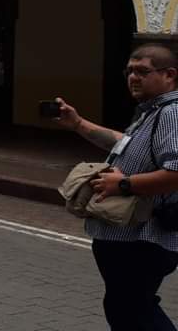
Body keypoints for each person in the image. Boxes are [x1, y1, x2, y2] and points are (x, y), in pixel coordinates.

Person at [54, 44, 178, 329]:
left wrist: (124, 184)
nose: (133, 77)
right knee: (126, 306)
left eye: (143, 71)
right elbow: (123, 143)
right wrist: (78, 123)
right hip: (128, 237)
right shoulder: (153, 111)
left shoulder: (171, 113)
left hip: (143, 239)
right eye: (129, 71)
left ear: (169, 75)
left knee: (133, 308)